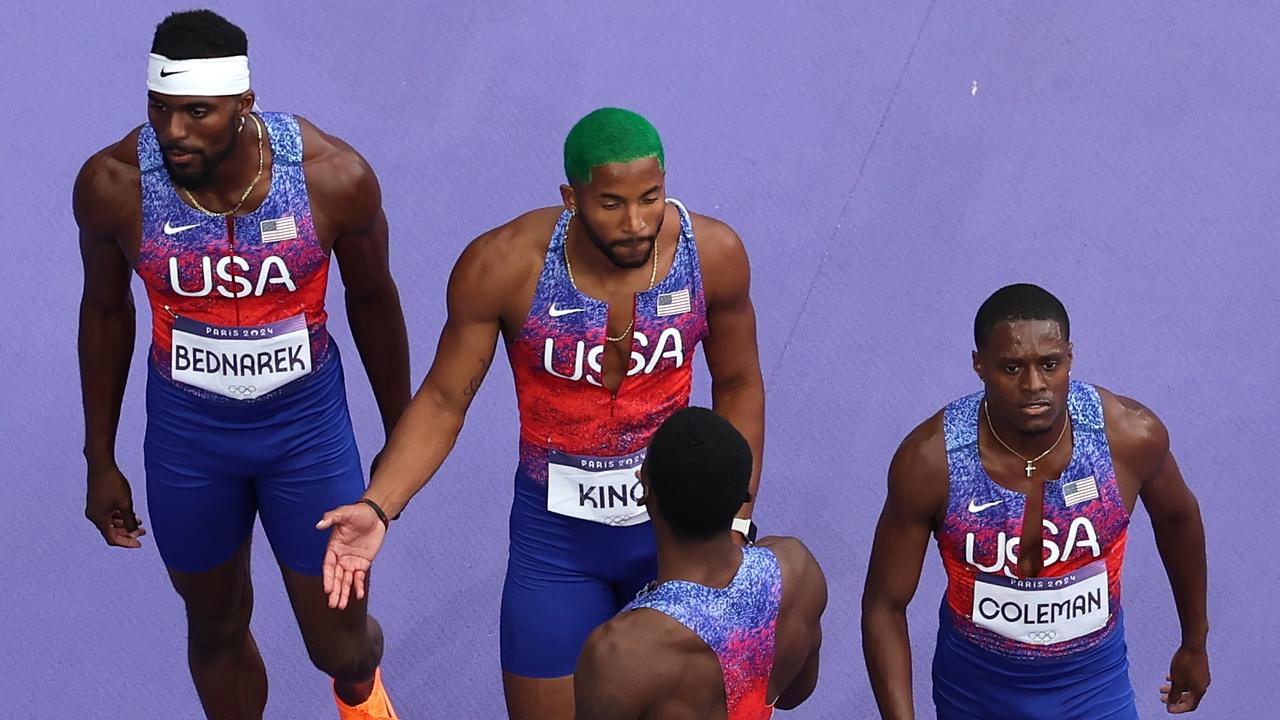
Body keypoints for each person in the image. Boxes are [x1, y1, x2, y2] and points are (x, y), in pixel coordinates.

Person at [316, 107, 766, 719]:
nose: (636, 223)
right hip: (556, 543)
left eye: (651, 199)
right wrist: (379, 506)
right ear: (571, 197)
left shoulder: (713, 254)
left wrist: (732, 522)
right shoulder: (503, 266)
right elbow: (446, 401)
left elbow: (738, 384)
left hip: (676, 535)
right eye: (611, 204)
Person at [74, 10, 410, 718]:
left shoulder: (331, 179)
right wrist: (98, 457)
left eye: (196, 113)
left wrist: (401, 436)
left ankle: (359, 691)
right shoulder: (113, 185)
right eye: (159, 110)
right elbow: (106, 313)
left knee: (339, 644)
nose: (173, 133)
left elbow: (374, 300)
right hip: (189, 439)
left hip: (305, 433)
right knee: (215, 625)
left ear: (243, 106)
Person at [861, 283, 1210, 719]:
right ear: (979, 365)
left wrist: (1195, 641)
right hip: (975, 688)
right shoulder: (930, 462)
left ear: (1070, 358)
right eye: (1011, 368)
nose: (1034, 385)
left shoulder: (1128, 437)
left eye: (1049, 364)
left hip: (1092, 684)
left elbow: (1179, 519)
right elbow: (884, 606)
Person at [575, 407, 826, 720]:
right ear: (742, 497)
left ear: (646, 489)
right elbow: (795, 693)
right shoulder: (798, 569)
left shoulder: (618, 654)